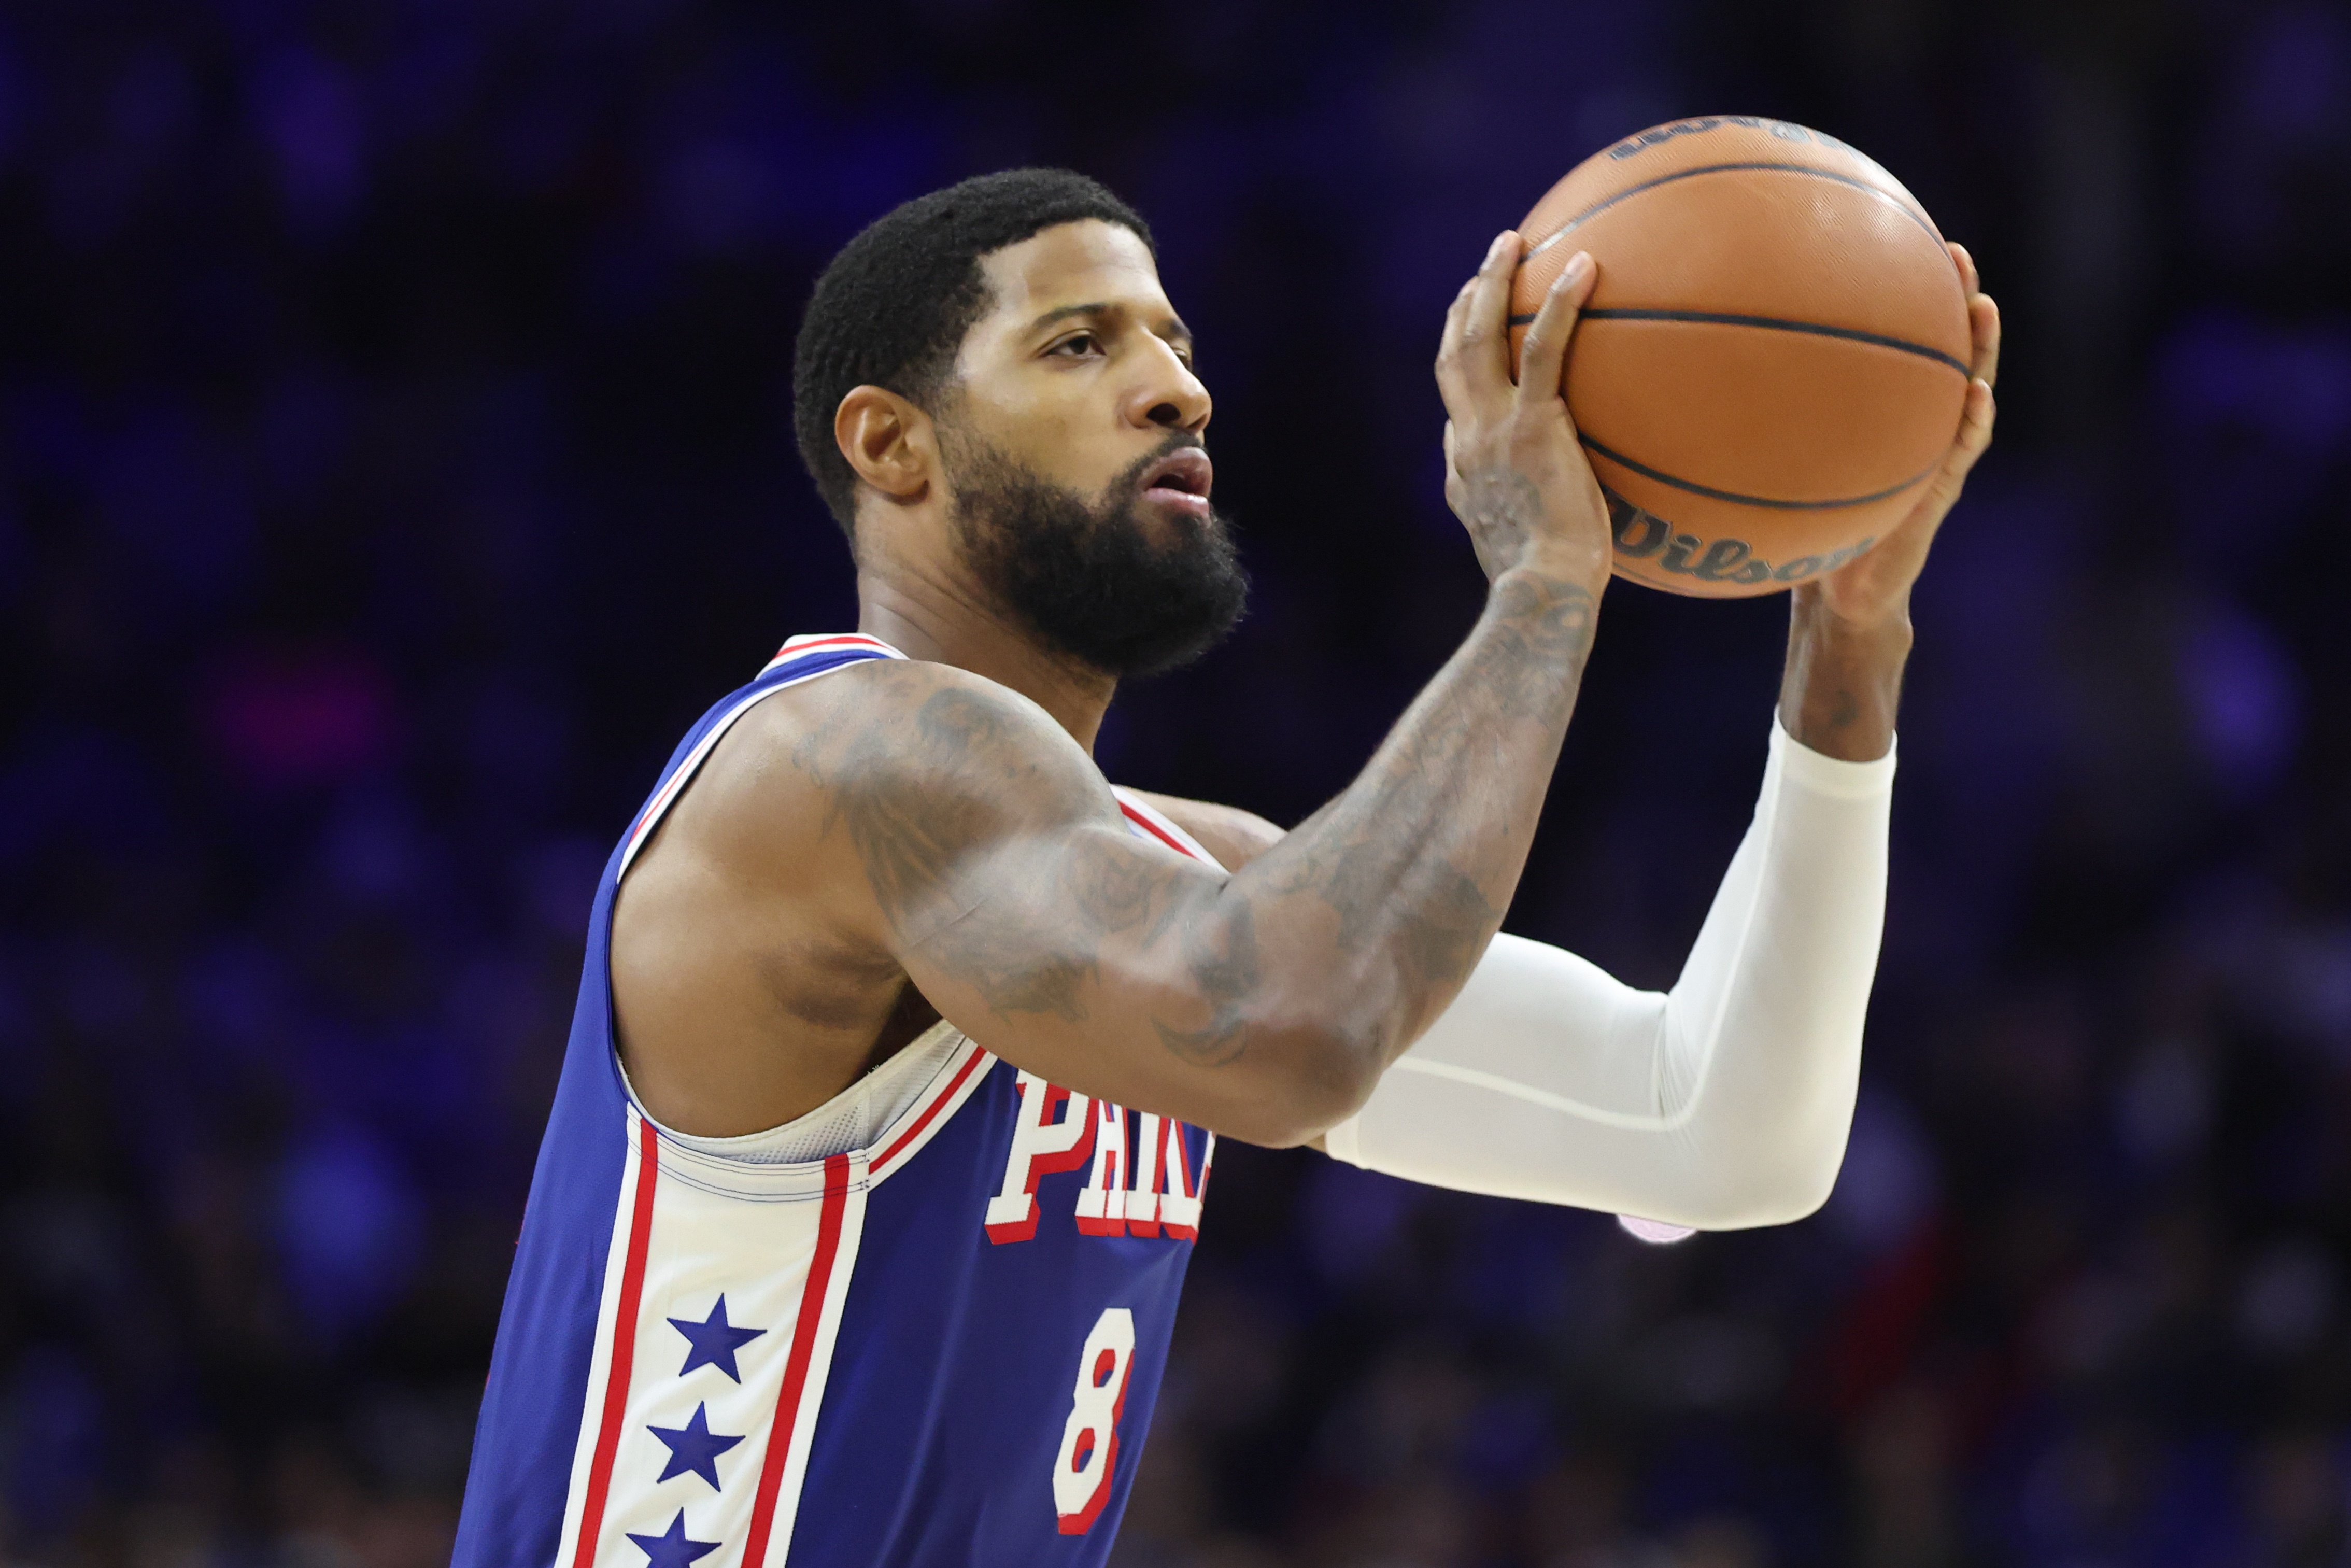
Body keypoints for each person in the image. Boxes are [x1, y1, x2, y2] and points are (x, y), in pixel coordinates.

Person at [452, 167, 2000, 1568]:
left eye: (1176, 344)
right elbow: (1288, 1029)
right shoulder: (842, 762)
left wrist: (1848, 653)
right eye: (1080, 345)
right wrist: (1542, 584)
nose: (1177, 388)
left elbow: (1717, 1132)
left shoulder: (1178, 890)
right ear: (892, 443)